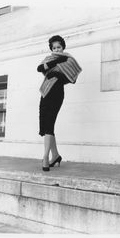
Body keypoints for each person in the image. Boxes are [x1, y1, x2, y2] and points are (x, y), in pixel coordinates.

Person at [37, 35, 82, 171]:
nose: (56, 49)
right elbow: (40, 68)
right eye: (54, 47)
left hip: (57, 94)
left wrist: (57, 74)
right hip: (45, 93)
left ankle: (45, 156)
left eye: (59, 47)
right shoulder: (50, 58)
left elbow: (72, 79)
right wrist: (55, 63)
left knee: (49, 123)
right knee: (45, 125)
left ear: (63, 47)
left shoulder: (68, 59)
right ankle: (55, 156)